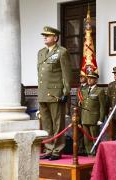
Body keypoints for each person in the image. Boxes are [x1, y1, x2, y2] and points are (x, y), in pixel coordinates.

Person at [38, 26, 71, 161]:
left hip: (55, 93)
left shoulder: (62, 52)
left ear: (55, 38)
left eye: (48, 35)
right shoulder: (41, 52)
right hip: (43, 92)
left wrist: (66, 92)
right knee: (46, 123)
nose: (45, 37)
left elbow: (66, 74)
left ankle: (57, 150)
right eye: (44, 35)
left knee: (58, 123)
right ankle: (49, 148)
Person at [81, 71, 106, 154]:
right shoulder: (84, 90)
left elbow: (102, 106)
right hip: (85, 118)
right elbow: (83, 104)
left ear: (96, 80)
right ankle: (89, 154)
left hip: (94, 119)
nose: (89, 80)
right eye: (88, 78)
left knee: (94, 138)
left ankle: (96, 154)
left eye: (92, 78)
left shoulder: (99, 90)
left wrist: (101, 119)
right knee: (86, 139)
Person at [77, 72, 88, 155]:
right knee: (79, 130)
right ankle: (80, 148)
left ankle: (86, 148)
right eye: (80, 77)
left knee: (85, 130)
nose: (80, 78)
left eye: (82, 77)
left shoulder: (88, 87)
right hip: (79, 111)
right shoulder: (79, 88)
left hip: (85, 111)